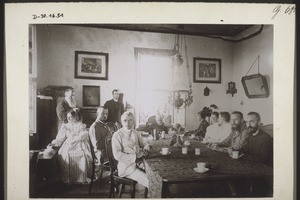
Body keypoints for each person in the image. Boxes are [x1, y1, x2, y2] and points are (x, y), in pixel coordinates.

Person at [50, 109, 92, 184]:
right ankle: (69, 179)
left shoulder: (80, 125)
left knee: (83, 154)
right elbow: (60, 138)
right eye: (67, 117)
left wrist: (78, 138)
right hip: (68, 143)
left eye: (70, 117)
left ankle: (80, 179)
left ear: (75, 117)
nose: (68, 119)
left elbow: (84, 134)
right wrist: (54, 143)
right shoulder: (65, 126)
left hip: (79, 143)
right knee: (64, 154)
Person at [112, 111, 150, 188]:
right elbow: (117, 155)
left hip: (139, 164)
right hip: (127, 168)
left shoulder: (136, 132)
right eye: (125, 120)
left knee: (156, 175)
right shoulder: (117, 135)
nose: (127, 123)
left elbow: (145, 143)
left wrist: (146, 149)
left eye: (130, 120)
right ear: (121, 122)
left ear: (133, 121)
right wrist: (135, 156)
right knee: (150, 181)